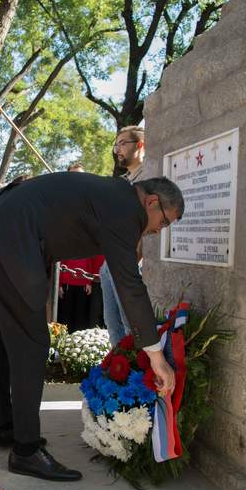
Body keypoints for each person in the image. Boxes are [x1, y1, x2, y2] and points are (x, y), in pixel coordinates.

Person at [0, 172, 183, 481]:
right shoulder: (125, 209)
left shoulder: (111, 194)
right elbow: (130, 286)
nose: (158, 231)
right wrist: (156, 356)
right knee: (32, 344)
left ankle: (4, 427)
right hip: (10, 242)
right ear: (151, 201)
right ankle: (25, 450)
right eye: (164, 222)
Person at [101, 126, 145, 346]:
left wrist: (133, 257)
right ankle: (118, 371)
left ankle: (137, 373)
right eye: (115, 144)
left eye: (122, 143)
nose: (117, 149)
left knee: (131, 325)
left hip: (130, 260)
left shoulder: (148, 178)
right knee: (113, 325)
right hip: (111, 260)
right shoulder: (123, 182)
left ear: (140, 145)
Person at [58, 255, 105, 332]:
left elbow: (89, 262)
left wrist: (88, 283)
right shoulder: (65, 246)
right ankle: (64, 336)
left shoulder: (86, 246)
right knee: (66, 314)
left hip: (83, 283)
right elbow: (59, 265)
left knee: (81, 314)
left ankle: (78, 338)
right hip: (66, 283)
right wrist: (59, 285)